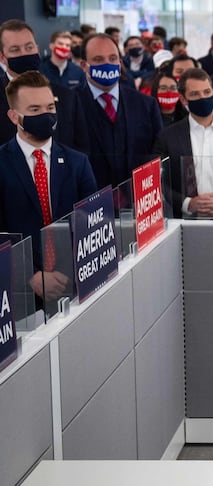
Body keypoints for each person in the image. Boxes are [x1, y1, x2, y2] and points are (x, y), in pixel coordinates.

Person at [0, 71, 96, 303]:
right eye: (34, 110)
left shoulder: (78, 162)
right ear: (14, 116)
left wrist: (71, 271)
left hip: (75, 283)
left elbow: (93, 220)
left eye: (50, 108)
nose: (45, 115)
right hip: (18, 293)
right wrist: (31, 275)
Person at [153, 68, 213, 219]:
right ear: (183, 99)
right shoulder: (167, 136)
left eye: (206, 92)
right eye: (194, 94)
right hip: (182, 225)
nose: (202, 97)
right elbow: (159, 182)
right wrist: (187, 203)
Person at [76, 32, 162, 188]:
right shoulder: (70, 105)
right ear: (83, 65)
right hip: (90, 202)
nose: (107, 64)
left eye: (112, 58)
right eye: (98, 59)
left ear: (120, 62)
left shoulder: (146, 105)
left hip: (138, 199)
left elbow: (157, 154)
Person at [0, 19, 89, 153]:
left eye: (29, 47)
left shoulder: (67, 97)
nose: (24, 53)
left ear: (37, 48)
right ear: (2, 57)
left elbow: (82, 150)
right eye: (15, 49)